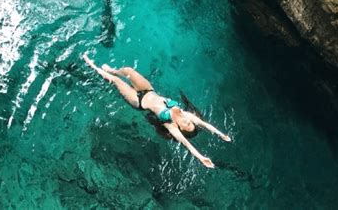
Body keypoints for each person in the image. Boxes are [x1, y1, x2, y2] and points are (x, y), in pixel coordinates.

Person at [83, 53, 231, 168]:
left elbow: (187, 145)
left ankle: (91, 65)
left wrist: (201, 158)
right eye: (190, 123)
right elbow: (205, 124)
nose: (187, 122)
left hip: (138, 101)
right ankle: (113, 70)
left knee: (116, 81)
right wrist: (221, 134)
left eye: (186, 126)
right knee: (128, 71)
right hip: (148, 90)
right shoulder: (184, 114)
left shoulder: (171, 126)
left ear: (180, 128)